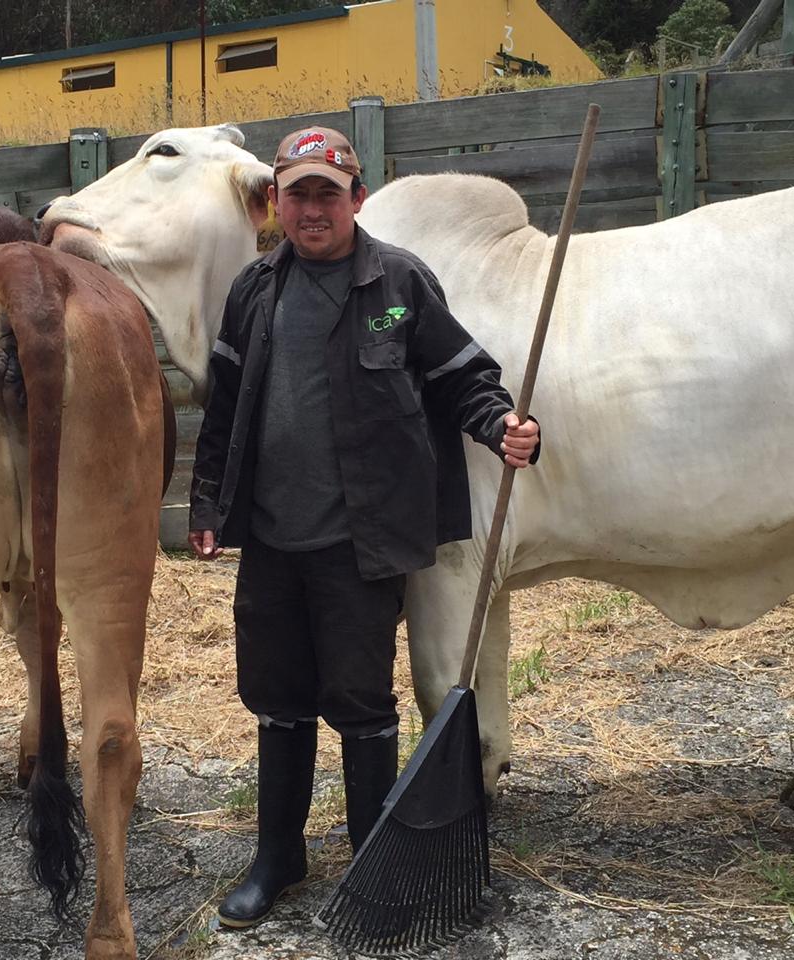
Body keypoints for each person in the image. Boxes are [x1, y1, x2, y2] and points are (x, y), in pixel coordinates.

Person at [189, 126, 540, 929]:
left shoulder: (401, 283)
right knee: (277, 697)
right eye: (297, 195)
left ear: (357, 198)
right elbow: (225, 408)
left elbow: (462, 377)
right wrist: (207, 504)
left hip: (359, 542)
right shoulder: (252, 291)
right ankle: (278, 856)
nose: (312, 210)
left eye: (328, 193)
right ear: (276, 204)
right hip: (272, 540)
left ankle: (370, 860)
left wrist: (502, 425)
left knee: (361, 701)